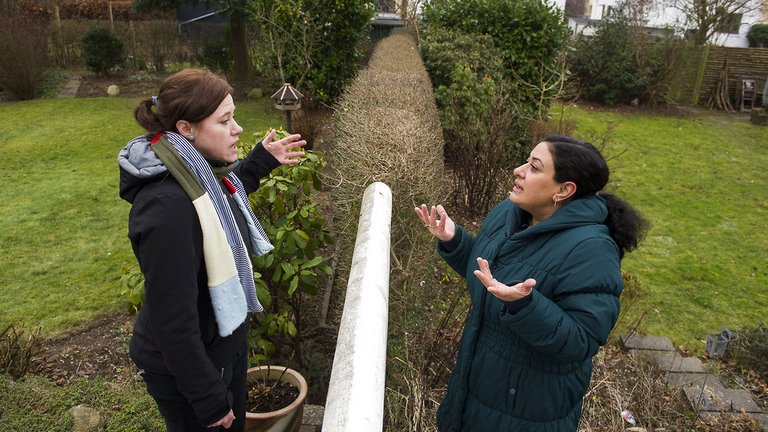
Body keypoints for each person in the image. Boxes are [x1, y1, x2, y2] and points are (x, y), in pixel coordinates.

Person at [415, 135, 649, 431]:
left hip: (527, 411)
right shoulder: (510, 213)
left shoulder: (591, 250)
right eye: (527, 160)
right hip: (474, 389)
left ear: (564, 190)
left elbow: (581, 340)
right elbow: (489, 281)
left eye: (534, 167)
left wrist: (524, 306)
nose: (518, 170)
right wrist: (455, 241)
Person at [118, 68, 305, 431]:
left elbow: (219, 206)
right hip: (189, 369)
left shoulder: (198, 174)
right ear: (187, 128)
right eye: (225, 120)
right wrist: (208, 398)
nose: (238, 128)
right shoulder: (167, 209)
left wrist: (260, 162)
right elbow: (173, 322)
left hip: (220, 349)